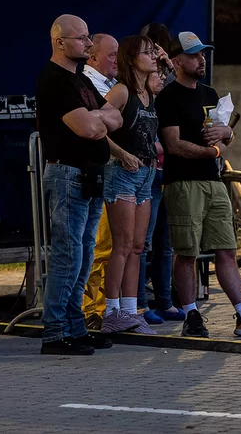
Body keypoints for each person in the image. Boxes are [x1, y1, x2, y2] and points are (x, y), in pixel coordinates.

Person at [156, 31, 241, 338]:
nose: (201, 60)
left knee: (227, 250)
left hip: (214, 181)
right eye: (194, 55)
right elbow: (173, 145)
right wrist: (214, 151)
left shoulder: (210, 94)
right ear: (177, 61)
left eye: (203, 54)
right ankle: (191, 315)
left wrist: (228, 133)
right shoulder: (169, 96)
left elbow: (224, 136)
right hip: (183, 183)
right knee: (187, 252)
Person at [37, 14, 123, 355]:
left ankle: (75, 325)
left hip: (89, 175)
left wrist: (97, 118)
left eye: (88, 37)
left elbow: (115, 117)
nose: (88, 43)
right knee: (68, 255)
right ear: (60, 42)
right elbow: (88, 129)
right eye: (82, 38)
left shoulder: (81, 80)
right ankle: (54, 332)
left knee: (85, 254)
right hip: (68, 175)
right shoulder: (54, 80)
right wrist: (98, 120)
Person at [100, 35, 170, 335]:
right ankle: (111, 311)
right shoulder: (121, 91)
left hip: (146, 174)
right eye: (147, 53)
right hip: (122, 173)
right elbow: (97, 126)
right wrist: (121, 153)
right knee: (123, 245)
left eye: (154, 53)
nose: (154, 57)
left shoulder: (149, 92)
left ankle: (131, 311)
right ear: (131, 59)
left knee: (139, 246)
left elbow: (173, 83)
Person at [138, 69, 184, 323]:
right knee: (143, 243)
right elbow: (144, 142)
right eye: (157, 73)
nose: (163, 77)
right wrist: (169, 143)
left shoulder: (164, 101)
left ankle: (165, 302)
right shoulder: (140, 101)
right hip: (148, 176)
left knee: (165, 244)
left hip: (166, 174)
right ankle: (140, 304)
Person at [80, 33, 119, 329]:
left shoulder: (112, 85)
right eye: (112, 54)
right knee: (99, 244)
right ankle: (91, 309)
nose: (117, 60)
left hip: (113, 173)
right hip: (98, 171)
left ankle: (110, 306)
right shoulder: (88, 83)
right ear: (93, 58)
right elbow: (102, 127)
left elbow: (116, 121)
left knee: (116, 244)